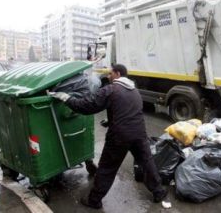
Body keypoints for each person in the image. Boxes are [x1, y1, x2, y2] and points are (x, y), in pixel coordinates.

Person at [50, 64, 167, 209]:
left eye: (111, 73)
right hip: (139, 134)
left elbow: (87, 106)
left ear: (117, 74)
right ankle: (158, 191)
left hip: (119, 137)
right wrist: (111, 121)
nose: (108, 76)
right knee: (147, 162)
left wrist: (67, 98)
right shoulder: (135, 91)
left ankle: (94, 200)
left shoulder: (111, 90)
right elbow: (128, 110)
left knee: (107, 168)